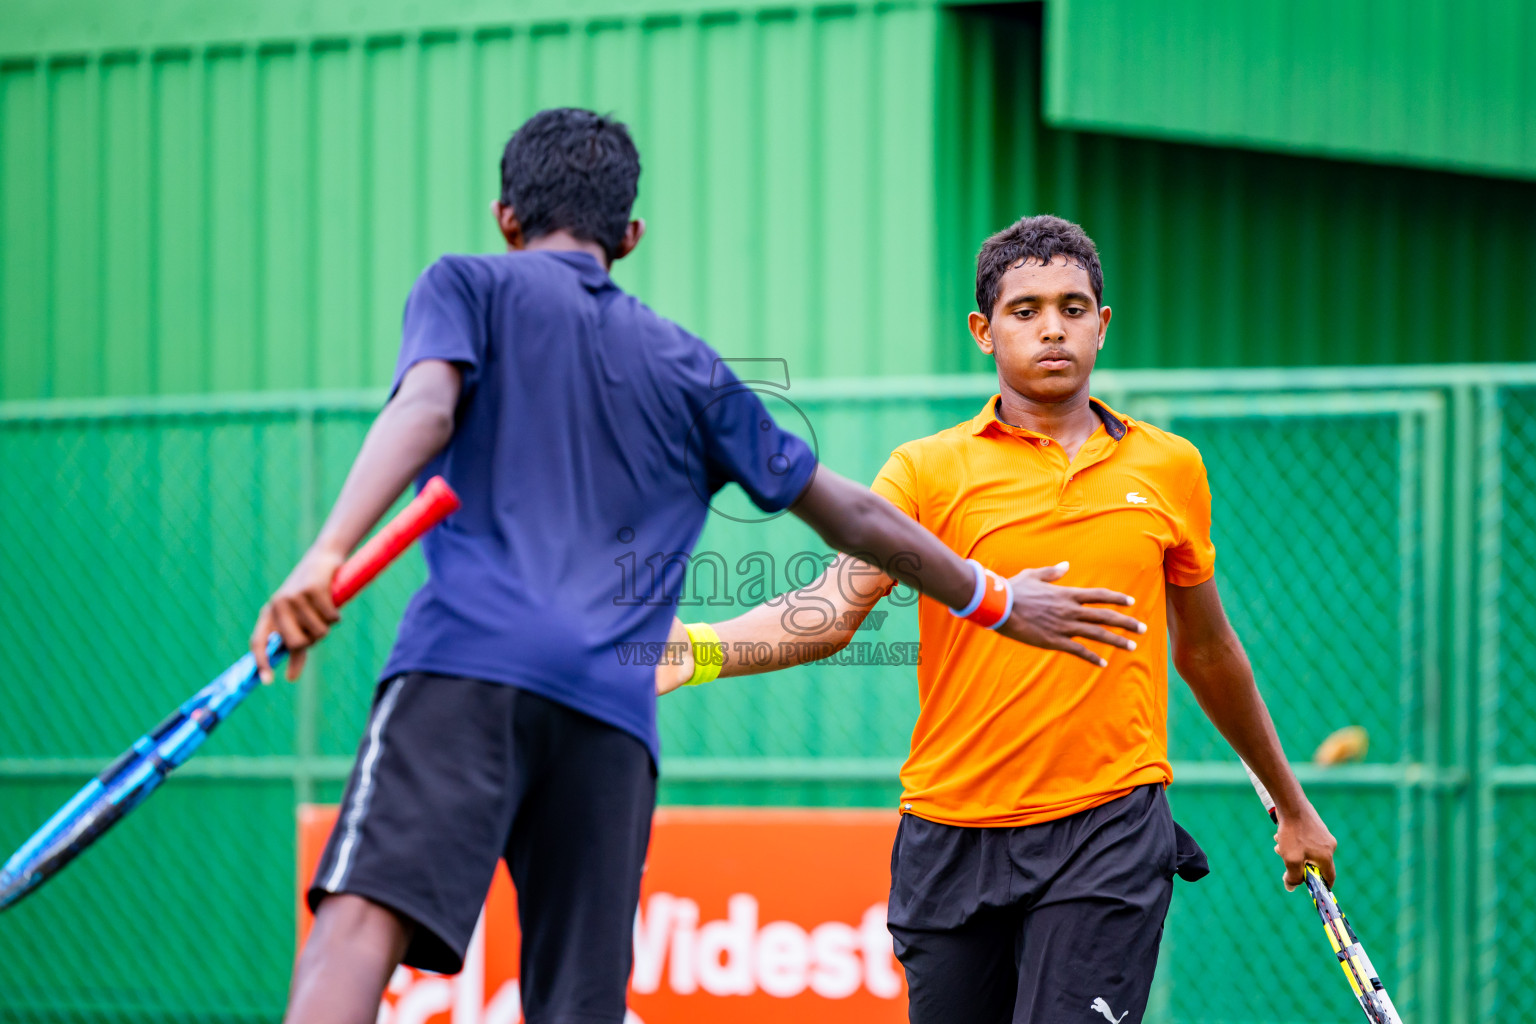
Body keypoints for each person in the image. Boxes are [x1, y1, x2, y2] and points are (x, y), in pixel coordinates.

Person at [249, 113, 1146, 1024]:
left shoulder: (465, 285)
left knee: (360, 925)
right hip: (610, 713)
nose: (1052, 329)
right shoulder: (689, 366)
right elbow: (853, 516)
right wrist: (995, 598)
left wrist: (330, 551)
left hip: (467, 666)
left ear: (505, 218)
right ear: (629, 236)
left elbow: (426, 411)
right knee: (580, 1002)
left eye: (1071, 311)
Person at [662, 215, 1340, 1024]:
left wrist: (1292, 804)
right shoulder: (928, 470)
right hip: (950, 837)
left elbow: (1208, 649)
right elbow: (829, 612)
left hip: (1109, 831)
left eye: (1073, 306)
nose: (1053, 327)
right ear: (984, 331)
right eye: (1026, 310)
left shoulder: (1169, 467)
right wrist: (691, 650)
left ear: (1102, 324)